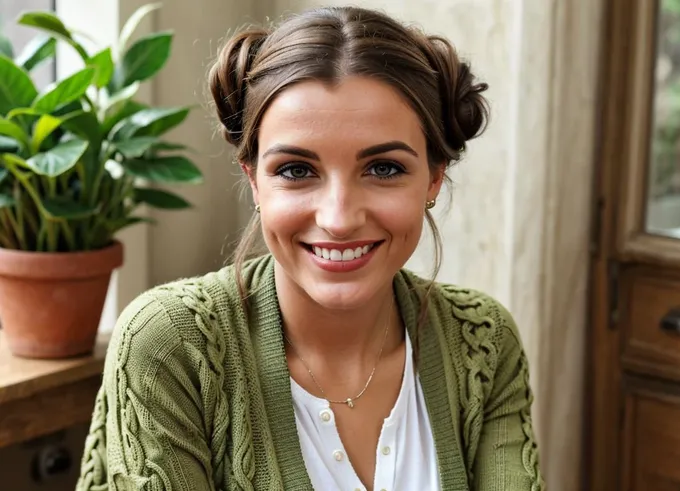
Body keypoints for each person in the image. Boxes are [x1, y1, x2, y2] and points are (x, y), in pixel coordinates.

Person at [76, 6, 544, 491]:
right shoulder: (170, 345)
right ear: (255, 181)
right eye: (297, 171)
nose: (339, 219)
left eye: (383, 168)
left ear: (434, 178)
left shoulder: (483, 343)